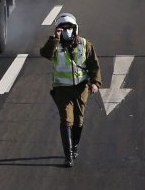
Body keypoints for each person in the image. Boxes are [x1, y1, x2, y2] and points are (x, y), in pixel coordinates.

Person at [39, 12, 101, 167]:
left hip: (81, 89)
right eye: (63, 28)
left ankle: (74, 147)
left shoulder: (85, 44)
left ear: (75, 28)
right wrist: (55, 38)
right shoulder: (54, 44)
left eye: (69, 28)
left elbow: (94, 64)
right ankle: (68, 156)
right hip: (62, 90)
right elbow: (45, 54)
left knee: (78, 121)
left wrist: (95, 83)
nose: (67, 30)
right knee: (67, 120)